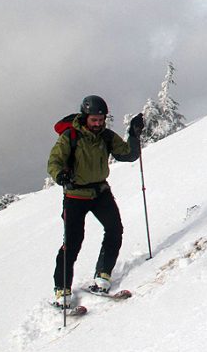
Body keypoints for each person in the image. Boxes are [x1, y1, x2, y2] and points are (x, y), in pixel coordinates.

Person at [47, 95, 143, 308]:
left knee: (114, 229)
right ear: (85, 117)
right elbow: (54, 161)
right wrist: (60, 175)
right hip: (75, 196)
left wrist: (134, 134)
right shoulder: (70, 137)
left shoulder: (106, 136)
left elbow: (127, 154)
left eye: (101, 120)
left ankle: (103, 274)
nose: (98, 124)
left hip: (100, 192)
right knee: (72, 243)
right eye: (94, 120)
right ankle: (62, 289)